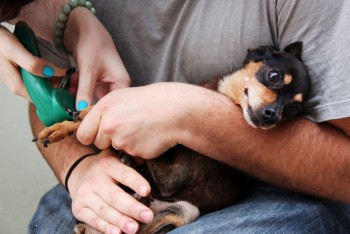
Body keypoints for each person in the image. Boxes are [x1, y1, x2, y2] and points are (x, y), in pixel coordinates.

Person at [1, 0, 350, 234]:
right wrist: (77, 168)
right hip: (114, 171)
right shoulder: (61, 6)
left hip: (267, 192)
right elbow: (45, 104)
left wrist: (190, 115)